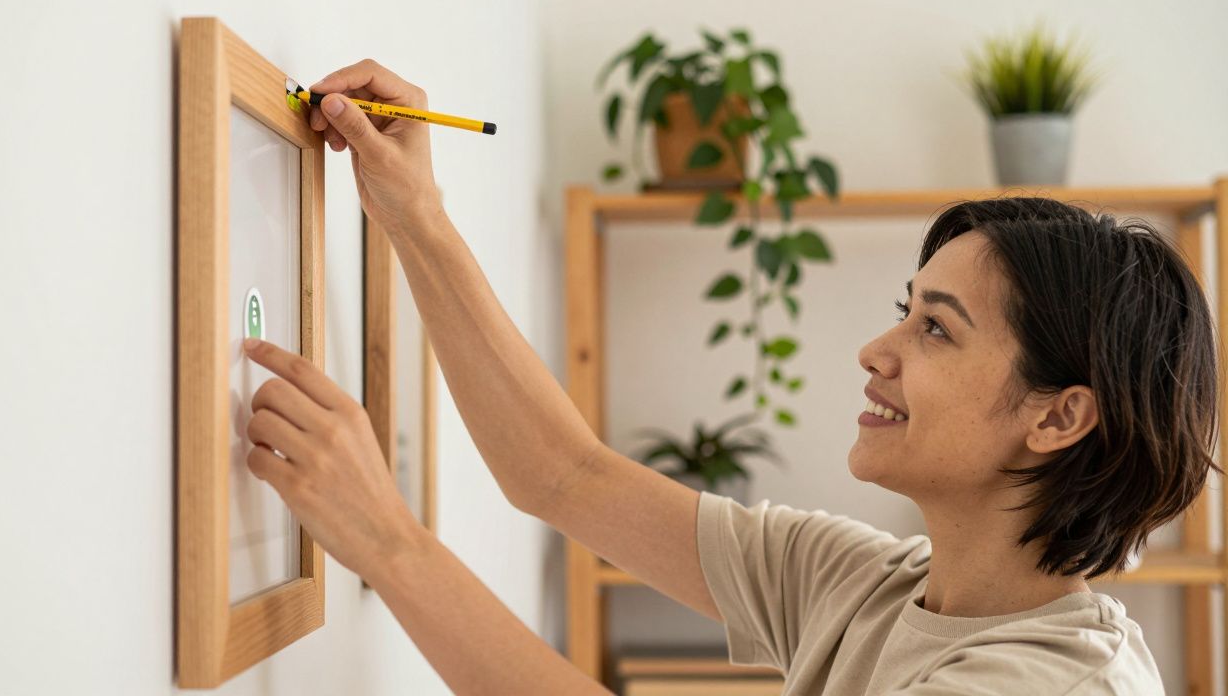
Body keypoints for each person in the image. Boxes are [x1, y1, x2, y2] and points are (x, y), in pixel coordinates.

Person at [239, 59, 1219, 695]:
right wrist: (416, 213)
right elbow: (562, 474)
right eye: (902, 309)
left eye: (934, 329)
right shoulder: (866, 585)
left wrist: (391, 543)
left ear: (1058, 417)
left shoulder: (1047, 685)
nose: (876, 351)